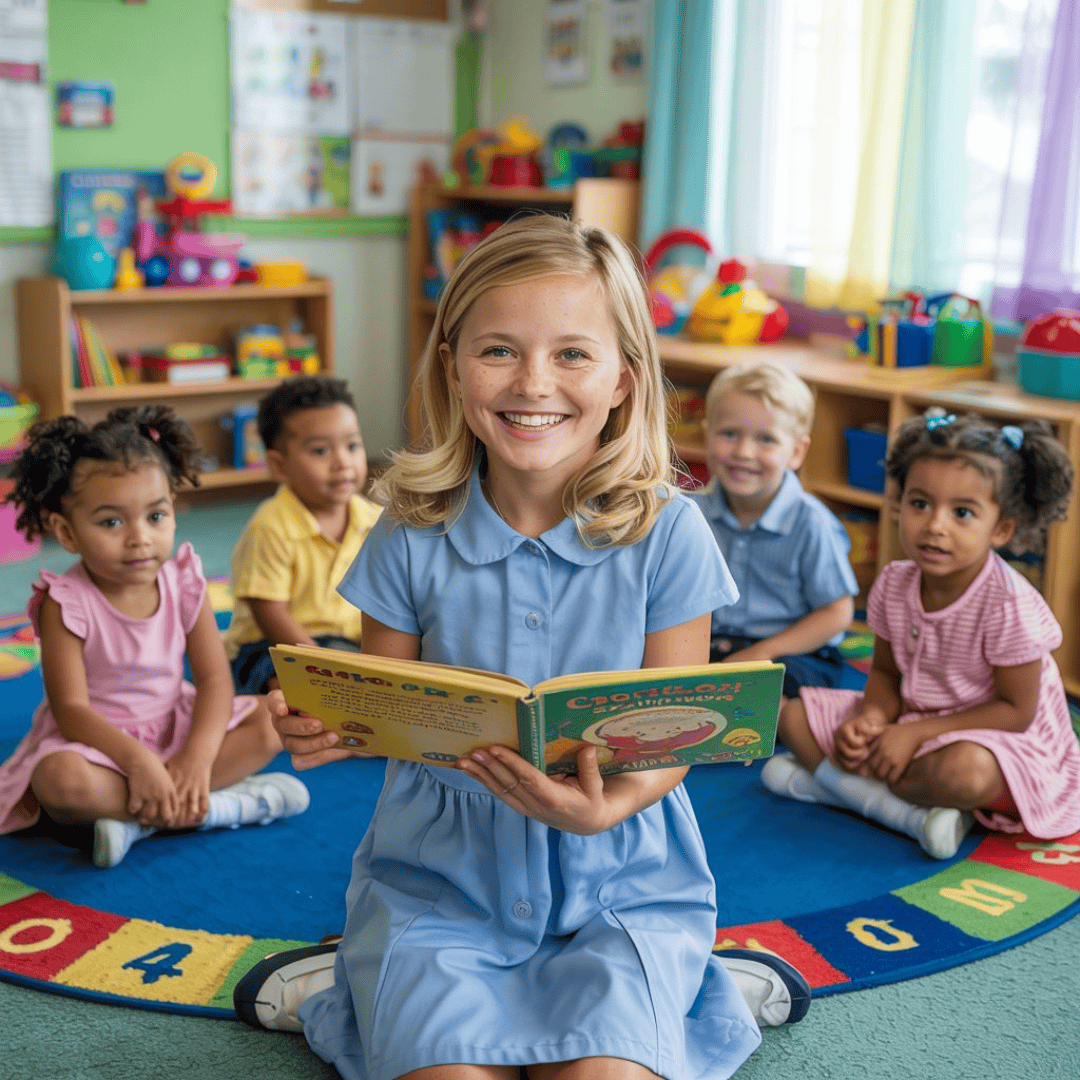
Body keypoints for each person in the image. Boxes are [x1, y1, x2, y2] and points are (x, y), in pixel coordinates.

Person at [233, 216, 811, 1079]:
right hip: (442, 880)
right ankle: (355, 965)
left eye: (573, 354)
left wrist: (607, 808)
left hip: (623, 881)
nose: (534, 382)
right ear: (453, 367)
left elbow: (681, 731)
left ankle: (698, 975)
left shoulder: (672, 534)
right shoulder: (406, 530)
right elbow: (377, 706)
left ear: (625, 378)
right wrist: (320, 726)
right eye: (499, 350)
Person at [0, 406, 310, 868]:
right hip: (101, 744)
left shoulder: (183, 580)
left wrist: (196, 759)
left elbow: (214, 682)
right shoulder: (64, 602)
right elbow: (71, 711)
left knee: (271, 721)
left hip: (175, 723)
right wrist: (139, 763)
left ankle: (138, 817)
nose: (139, 538)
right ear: (66, 531)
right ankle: (219, 807)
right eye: (111, 522)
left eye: (156, 516)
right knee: (59, 781)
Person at [762, 410, 1080, 859]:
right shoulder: (894, 582)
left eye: (963, 512)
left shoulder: (1010, 605)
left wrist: (914, 736)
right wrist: (873, 718)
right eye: (919, 503)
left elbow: (1017, 711)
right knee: (791, 717)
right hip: (914, 720)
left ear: (1002, 528)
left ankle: (837, 788)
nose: (935, 525)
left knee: (965, 774)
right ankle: (904, 811)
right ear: (899, 503)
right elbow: (888, 674)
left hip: (996, 736)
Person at [690, 361, 857, 697]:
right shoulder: (691, 513)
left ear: (796, 452)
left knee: (762, 698)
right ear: (707, 434)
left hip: (794, 652)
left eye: (766, 439)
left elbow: (837, 614)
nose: (743, 452)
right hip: (711, 646)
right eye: (728, 434)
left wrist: (763, 653)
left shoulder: (811, 522)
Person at [224, 375, 382, 695]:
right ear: (279, 466)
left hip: (347, 645)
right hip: (273, 645)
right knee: (284, 684)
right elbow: (268, 611)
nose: (342, 463)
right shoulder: (271, 526)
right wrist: (319, 667)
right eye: (321, 451)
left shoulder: (374, 521)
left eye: (352, 446)